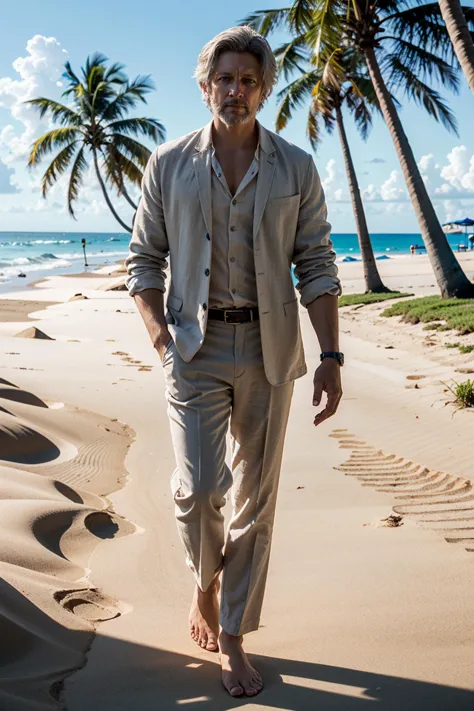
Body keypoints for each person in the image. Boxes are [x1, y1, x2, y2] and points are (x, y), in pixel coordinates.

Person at [125, 25, 343, 698]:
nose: (236, 90)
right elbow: (142, 263)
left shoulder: (296, 168)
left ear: (265, 88)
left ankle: (232, 634)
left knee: (258, 499)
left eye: (249, 80)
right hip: (193, 348)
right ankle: (205, 584)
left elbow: (316, 263)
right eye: (225, 78)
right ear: (204, 86)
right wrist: (163, 342)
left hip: (271, 349)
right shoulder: (168, 164)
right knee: (200, 489)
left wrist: (331, 353)